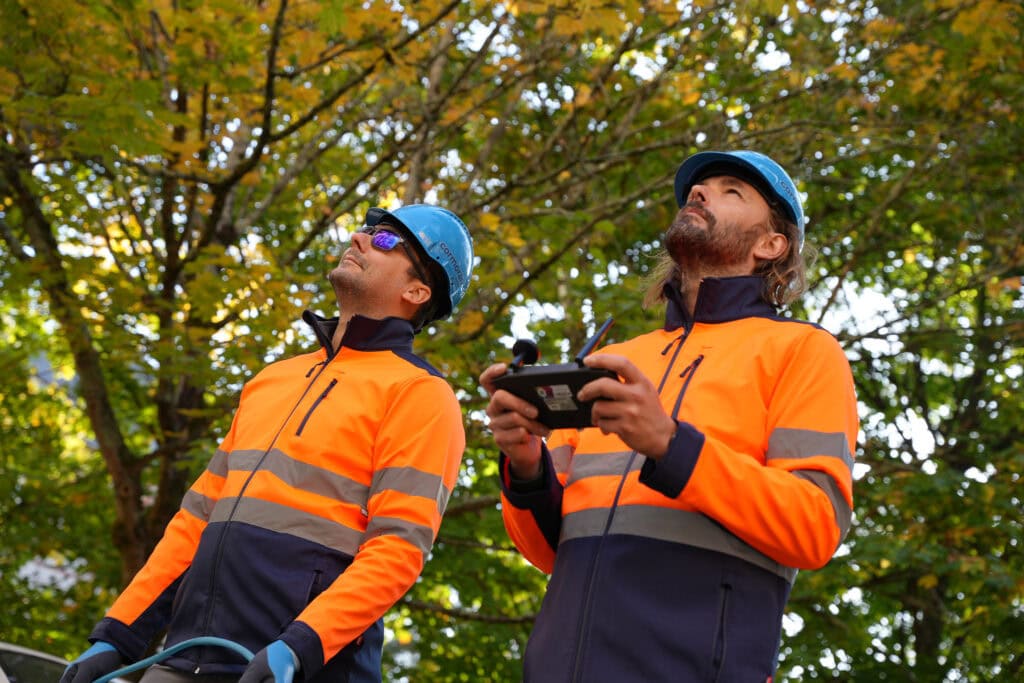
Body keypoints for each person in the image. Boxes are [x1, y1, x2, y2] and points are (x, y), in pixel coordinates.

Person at [480, 151, 858, 682]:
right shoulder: (614, 359)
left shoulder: (803, 351)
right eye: (698, 188)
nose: (699, 192)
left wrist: (671, 444)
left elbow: (814, 527)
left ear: (772, 245)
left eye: (731, 190)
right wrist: (525, 464)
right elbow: (549, 551)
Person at [61, 204, 475, 683]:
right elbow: (194, 521)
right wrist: (118, 634)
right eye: (365, 230)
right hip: (185, 659)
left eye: (385, 240)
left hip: (303, 669)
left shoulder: (421, 395)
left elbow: (397, 548)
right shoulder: (272, 380)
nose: (360, 238)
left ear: (417, 291)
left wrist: (301, 646)